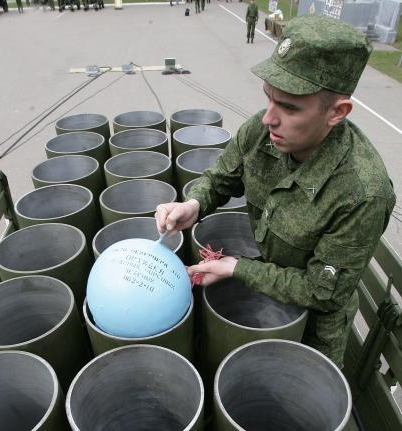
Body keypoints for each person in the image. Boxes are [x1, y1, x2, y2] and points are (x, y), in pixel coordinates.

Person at [156, 15, 396, 369]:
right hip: (264, 284)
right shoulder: (262, 131)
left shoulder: (361, 193)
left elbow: (320, 290)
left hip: (312, 328)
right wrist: (195, 202)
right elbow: (222, 177)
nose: (269, 118)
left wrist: (238, 268)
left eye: (289, 107)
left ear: (337, 113)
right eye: (269, 98)